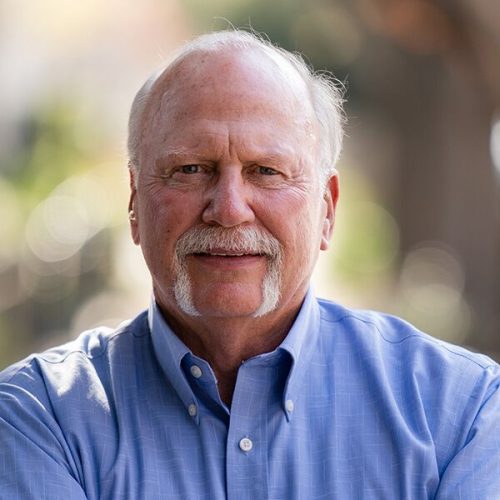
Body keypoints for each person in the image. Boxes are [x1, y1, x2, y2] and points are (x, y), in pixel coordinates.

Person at [1, 30, 499, 500]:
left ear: (326, 209)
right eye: (191, 169)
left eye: (266, 171)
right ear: (134, 204)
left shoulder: (461, 413)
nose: (230, 208)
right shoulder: (40, 416)